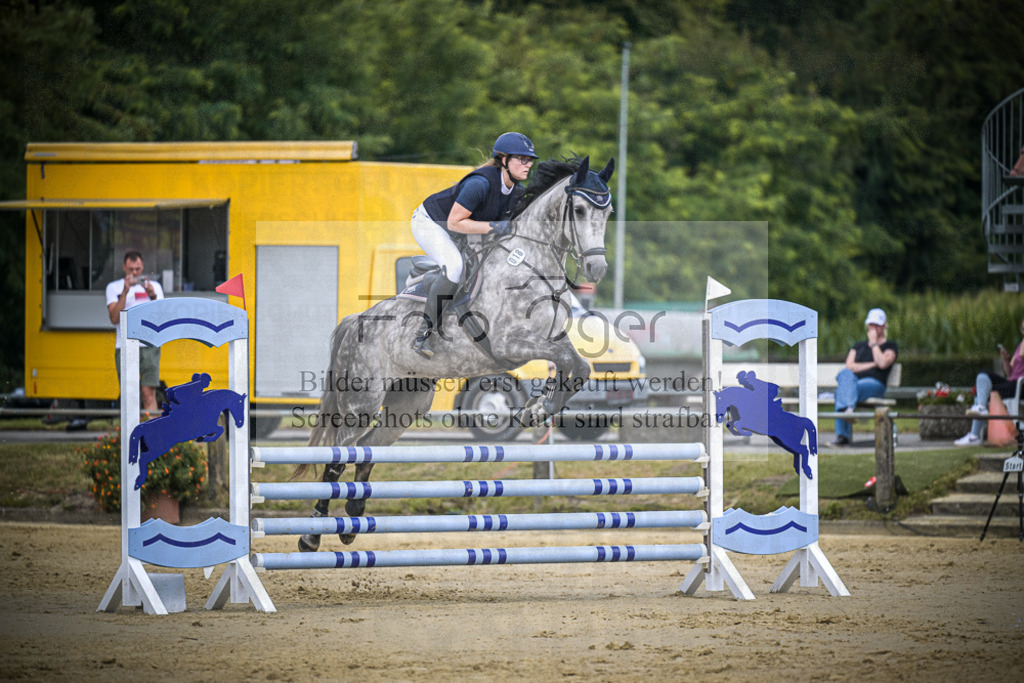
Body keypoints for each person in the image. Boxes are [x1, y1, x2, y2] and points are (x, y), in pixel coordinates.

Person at [409, 132, 538, 358]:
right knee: (455, 267)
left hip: (459, 230)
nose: (528, 165)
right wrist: (493, 227)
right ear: (504, 160)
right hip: (431, 223)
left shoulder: (515, 191)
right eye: (522, 159)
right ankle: (424, 333)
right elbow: (455, 222)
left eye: (530, 160)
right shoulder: (480, 184)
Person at [828, 308, 898, 447]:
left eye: (877, 325)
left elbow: (883, 363)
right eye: (871, 325)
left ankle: (843, 433)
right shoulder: (858, 345)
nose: (874, 328)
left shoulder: (890, 346)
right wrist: (873, 364)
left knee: (843, 390)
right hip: (853, 382)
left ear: (884, 326)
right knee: (844, 374)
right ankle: (848, 410)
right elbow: (849, 366)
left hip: (874, 384)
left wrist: (873, 344)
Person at [106, 251, 164, 411]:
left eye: (137, 269)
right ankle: (131, 434)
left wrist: (152, 295)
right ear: (124, 267)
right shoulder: (114, 287)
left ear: (142, 267)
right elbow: (114, 318)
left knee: (148, 393)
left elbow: (161, 317)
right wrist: (125, 292)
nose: (134, 273)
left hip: (149, 345)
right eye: (131, 269)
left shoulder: (155, 287)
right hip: (124, 346)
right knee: (128, 394)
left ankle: (152, 434)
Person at [955, 318, 1024, 446]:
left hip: (1020, 387)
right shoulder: (1020, 345)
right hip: (1012, 383)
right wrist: (1005, 360)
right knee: (983, 375)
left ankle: (974, 436)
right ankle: (981, 408)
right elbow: (1010, 373)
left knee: (984, 392)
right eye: (1022, 328)